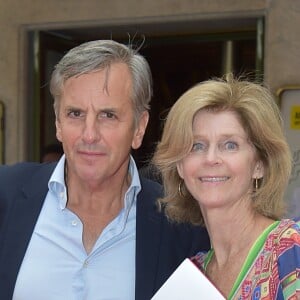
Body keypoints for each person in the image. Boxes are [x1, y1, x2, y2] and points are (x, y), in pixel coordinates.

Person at [0, 40, 210, 300]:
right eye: (75, 114)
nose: (89, 134)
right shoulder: (6, 197)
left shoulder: (181, 227)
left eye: (107, 115)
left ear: (139, 128)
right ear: (57, 123)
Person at [153, 74, 300, 299]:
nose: (211, 158)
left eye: (230, 145)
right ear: (180, 167)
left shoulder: (292, 250)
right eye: (197, 146)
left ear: (259, 165)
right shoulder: (191, 278)